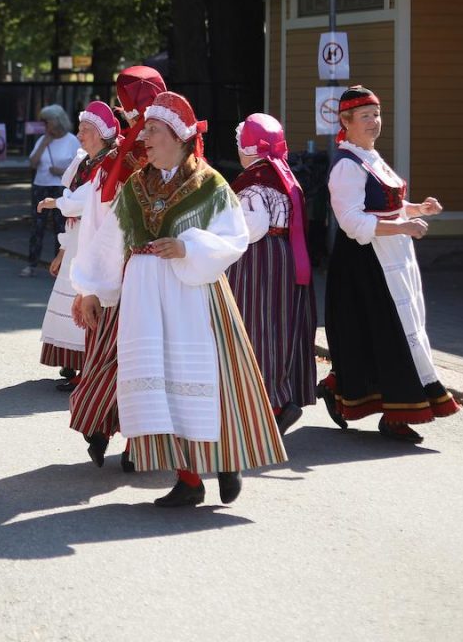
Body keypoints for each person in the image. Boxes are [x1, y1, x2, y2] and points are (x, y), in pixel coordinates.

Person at [70, 91, 286, 507]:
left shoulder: (210, 184)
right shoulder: (136, 186)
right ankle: (188, 479)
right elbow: (109, 241)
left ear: (180, 136)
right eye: (145, 130)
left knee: (212, 378)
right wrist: (91, 289)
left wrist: (188, 248)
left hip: (195, 294)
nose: (144, 138)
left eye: (153, 130)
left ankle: (226, 461)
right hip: (145, 299)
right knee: (163, 384)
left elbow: (234, 236)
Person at [320, 85, 458, 443]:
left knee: (385, 334)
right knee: (387, 335)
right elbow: (352, 223)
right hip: (364, 265)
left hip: (390, 258)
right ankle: (395, 414)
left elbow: (386, 205)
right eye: (365, 116)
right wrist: (403, 226)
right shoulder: (346, 166)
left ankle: (340, 389)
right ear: (346, 121)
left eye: (376, 115)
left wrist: (417, 209)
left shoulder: (370, 157)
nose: (374, 122)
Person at [69, 65, 166, 470]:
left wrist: (88, 281)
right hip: (144, 271)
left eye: (127, 103)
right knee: (139, 357)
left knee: (121, 355)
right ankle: (126, 439)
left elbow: (101, 221)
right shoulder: (131, 156)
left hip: (132, 269)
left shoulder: (124, 158)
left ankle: (111, 431)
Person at [225, 113, 316, 435]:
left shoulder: (253, 182)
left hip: (259, 260)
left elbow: (251, 228)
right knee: (280, 326)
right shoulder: (285, 177)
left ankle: (271, 403)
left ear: (247, 148)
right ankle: (282, 394)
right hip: (287, 257)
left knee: (257, 325)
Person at [35, 101, 117, 391]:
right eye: (80, 129)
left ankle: (88, 368)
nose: (80, 135)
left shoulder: (110, 162)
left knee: (85, 299)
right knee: (71, 298)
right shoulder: (85, 161)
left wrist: (56, 203)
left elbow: (83, 201)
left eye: (86, 130)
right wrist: (62, 249)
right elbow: (75, 202)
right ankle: (75, 363)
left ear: (102, 133)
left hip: (95, 238)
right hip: (78, 236)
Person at [21, 105, 80, 278]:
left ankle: (59, 265)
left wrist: (61, 171)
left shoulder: (71, 141)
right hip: (41, 185)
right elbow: (32, 162)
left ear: (56, 121)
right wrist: (43, 144)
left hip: (60, 187)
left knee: (60, 227)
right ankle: (31, 263)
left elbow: (79, 167)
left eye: (46, 122)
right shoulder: (43, 140)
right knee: (37, 226)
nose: (44, 126)